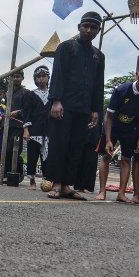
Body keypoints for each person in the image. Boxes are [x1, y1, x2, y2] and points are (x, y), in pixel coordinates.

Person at [46, 11, 104, 200]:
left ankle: (67, 185)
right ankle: (56, 183)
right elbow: (58, 75)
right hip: (64, 105)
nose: (88, 30)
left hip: (84, 108)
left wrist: (96, 110)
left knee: (76, 146)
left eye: (93, 27)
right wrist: (56, 101)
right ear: (78, 27)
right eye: (85, 26)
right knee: (59, 144)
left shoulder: (98, 56)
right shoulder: (66, 47)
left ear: (98, 31)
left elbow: (98, 84)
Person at [95, 61, 139, 202]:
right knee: (106, 156)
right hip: (113, 126)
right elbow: (109, 116)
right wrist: (109, 139)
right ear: (137, 74)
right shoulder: (121, 90)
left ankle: (121, 193)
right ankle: (102, 191)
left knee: (126, 159)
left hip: (131, 129)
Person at [23, 66, 50, 190]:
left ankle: (47, 181)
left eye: (43, 76)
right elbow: (27, 113)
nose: (41, 79)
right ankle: (32, 182)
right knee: (32, 156)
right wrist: (26, 129)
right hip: (34, 131)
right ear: (35, 79)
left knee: (47, 157)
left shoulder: (53, 95)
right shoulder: (31, 94)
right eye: (38, 77)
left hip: (49, 131)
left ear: (48, 78)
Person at [2, 70, 28, 182]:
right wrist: (2, 117)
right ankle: (8, 174)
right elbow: (6, 108)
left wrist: (18, 112)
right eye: (13, 77)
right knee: (5, 150)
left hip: (18, 125)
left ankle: (20, 172)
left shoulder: (25, 93)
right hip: (7, 125)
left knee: (14, 150)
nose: (15, 79)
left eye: (18, 76)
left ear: (22, 78)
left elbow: (28, 109)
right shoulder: (8, 93)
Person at [73, 112, 101, 193]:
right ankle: (77, 184)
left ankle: (88, 186)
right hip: (82, 118)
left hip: (93, 131)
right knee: (79, 157)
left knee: (91, 158)